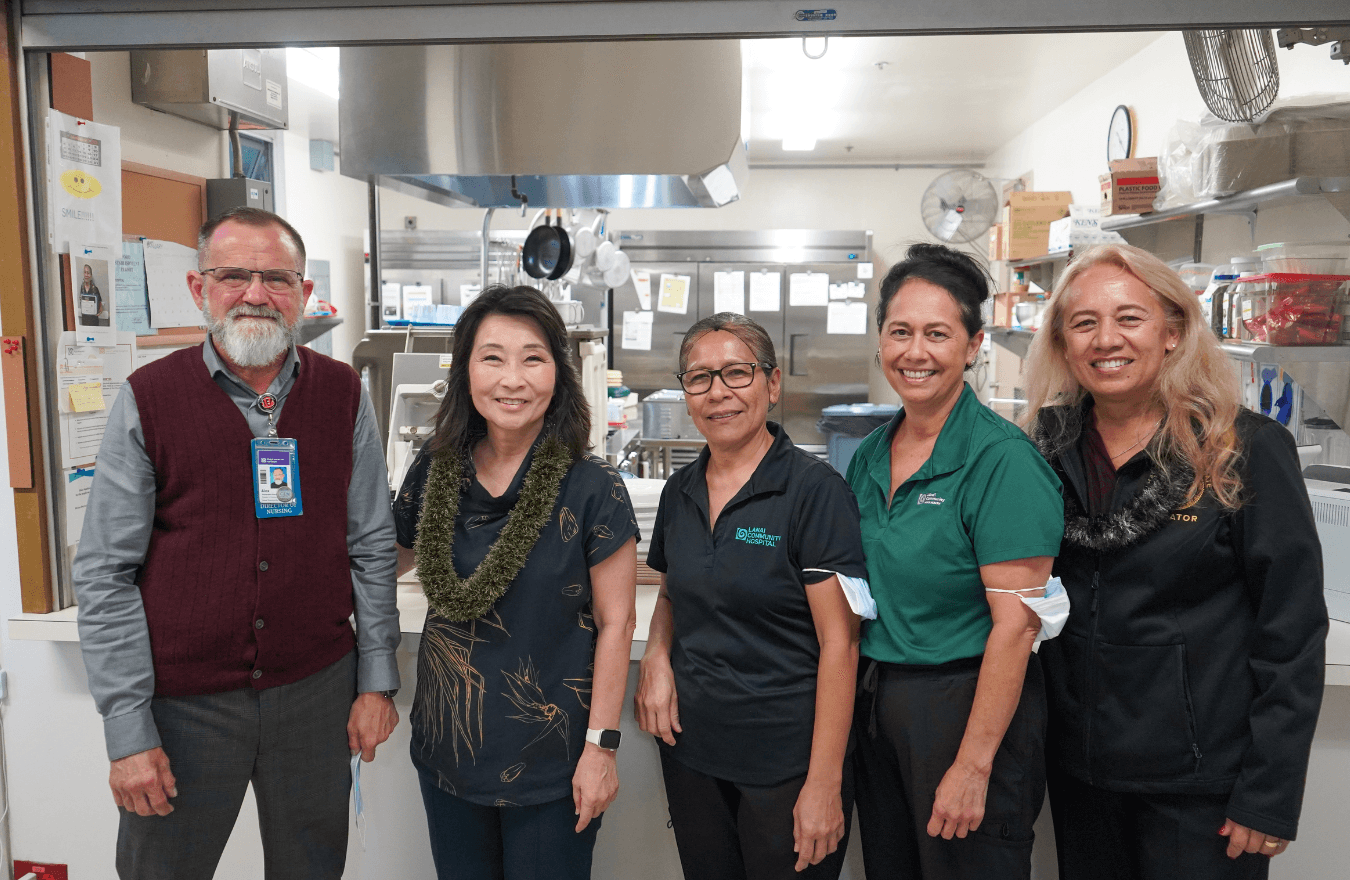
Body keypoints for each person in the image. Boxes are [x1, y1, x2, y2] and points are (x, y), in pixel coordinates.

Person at [72, 206, 401, 879]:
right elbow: (105, 574)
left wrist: (376, 680)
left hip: (315, 694)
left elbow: (370, 542)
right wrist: (128, 730)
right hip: (183, 705)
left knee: (312, 869)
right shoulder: (149, 398)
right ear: (200, 289)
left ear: (305, 295)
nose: (255, 294)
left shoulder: (342, 394)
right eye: (233, 276)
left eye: (277, 279)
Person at [1022, 243, 1328, 879]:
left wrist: (1269, 797)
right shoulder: (1043, 451)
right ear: (1063, 342)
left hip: (1201, 786)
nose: (1107, 339)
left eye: (1130, 318)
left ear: (1173, 332)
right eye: (1084, 323)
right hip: (1081, 774)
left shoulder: (1243, 449)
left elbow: (1292, 631)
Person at [393, 285, 637, 880]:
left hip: (553, 761)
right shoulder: (434, 467)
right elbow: (385, 562)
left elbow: (617, 622)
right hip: (448, 749)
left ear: (559, 372)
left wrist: (602, 748)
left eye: (532, 358)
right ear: (466, 371)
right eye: (492, 357)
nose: (512, 379)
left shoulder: (592, 486)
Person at [845, 243, 1064, 880]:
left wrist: (972, 767)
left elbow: (1019, 625)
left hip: (965, 706)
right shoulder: (872, 453)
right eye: (900, 332)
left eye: (937, 334)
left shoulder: (1001, 461)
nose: (916, 352)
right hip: (881, 704)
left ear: (972, 346)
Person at [636, 312, 870, 880]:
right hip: (694, 756)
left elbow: (840, 645)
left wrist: (823, 784)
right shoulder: (680, 491)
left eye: (736, 373)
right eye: (699, 378)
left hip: (785, 766)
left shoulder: (815, 494)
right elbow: (671, 590)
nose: (718, 393)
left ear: (772, 382)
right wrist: (656, 654)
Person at [79, 261, 108, 326]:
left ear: (91, 275)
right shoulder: (82, 288)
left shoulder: (95, 289)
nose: (86, 275)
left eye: (88, 273)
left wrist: (100, 311)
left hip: (93, 321)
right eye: (85, 272)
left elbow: (100, 306)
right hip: (84, 321)